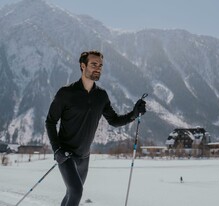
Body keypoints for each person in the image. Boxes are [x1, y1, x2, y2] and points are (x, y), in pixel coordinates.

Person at [45, 50, 146, 206]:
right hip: (66, 155)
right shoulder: (66, 93)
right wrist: (57, 150)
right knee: (77, 192)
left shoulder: (101, 96)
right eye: (93, 64)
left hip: (84, 157)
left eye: (100, 65)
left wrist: (134, 114)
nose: (98, 68)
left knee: (71, 193)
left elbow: (114, 120)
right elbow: (50, 122)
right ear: (82, 66)